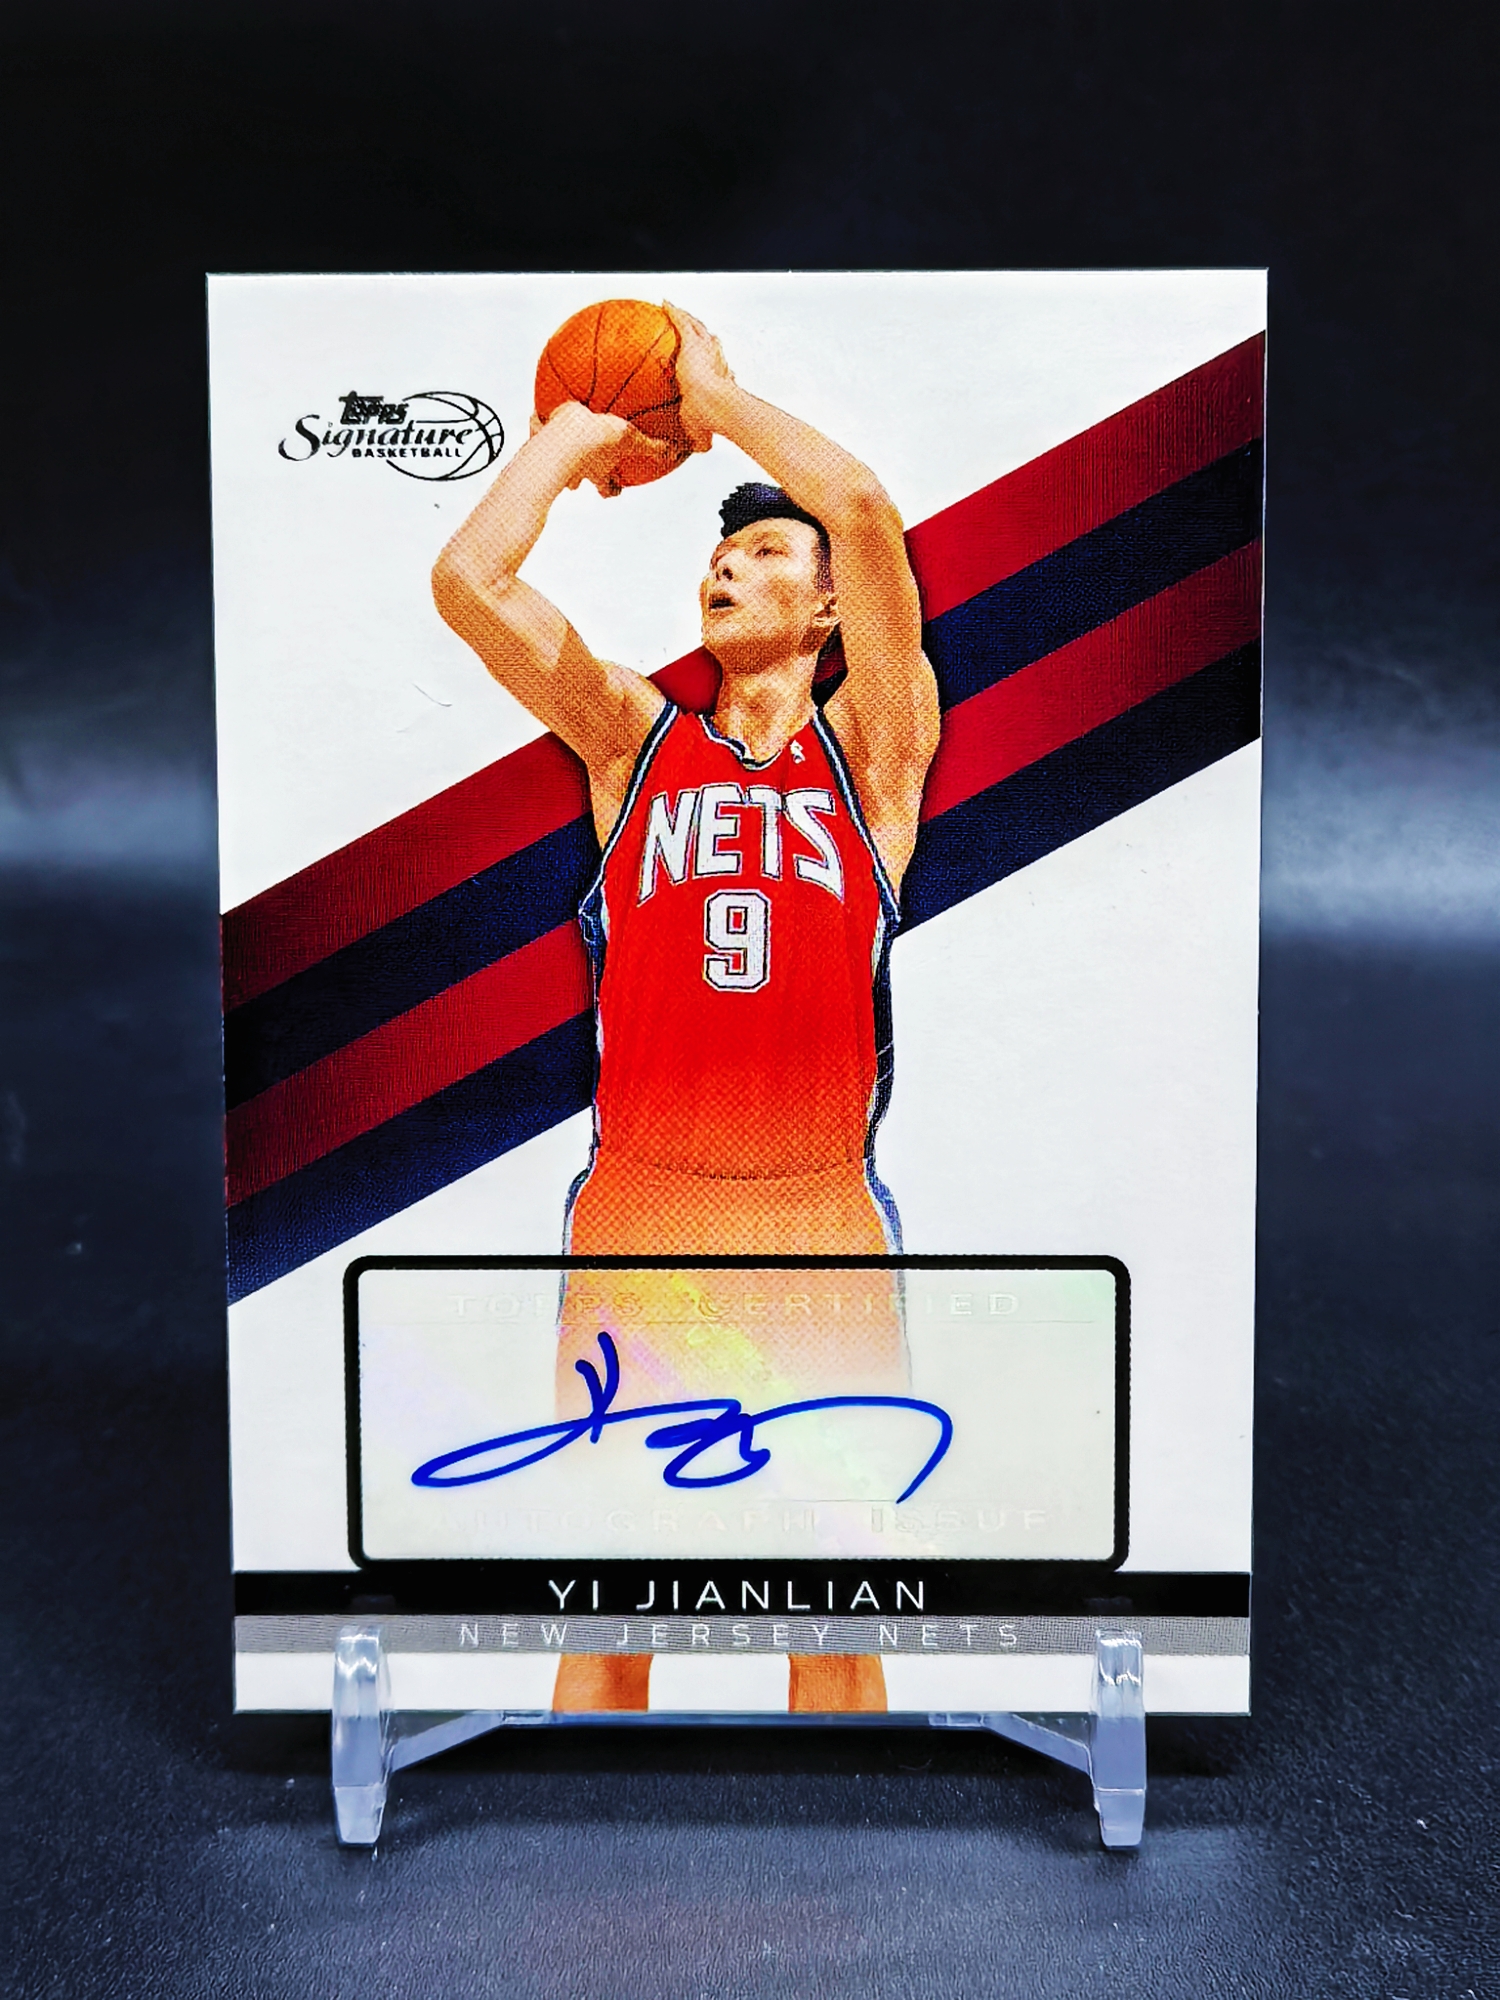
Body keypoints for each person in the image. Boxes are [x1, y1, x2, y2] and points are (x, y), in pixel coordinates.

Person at [432, 305, 941, 1714]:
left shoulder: (876, 755)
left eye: (766, 554)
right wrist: (572, 433)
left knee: (833, 1613)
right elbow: (470, 580)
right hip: (644, 1210)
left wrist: (708, 395)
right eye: (721, 553)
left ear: (830, 612)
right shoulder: (629, 744)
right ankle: (579, 1825)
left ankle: (839, 1828)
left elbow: (861, 508)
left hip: (816, 1214)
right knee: (611, 1603)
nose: (727, 563)